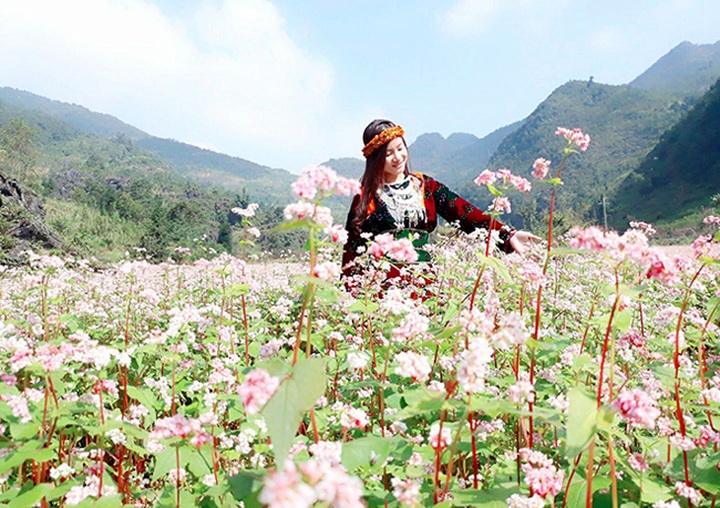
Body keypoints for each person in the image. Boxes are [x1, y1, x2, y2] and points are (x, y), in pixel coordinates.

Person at [342, 119, 539, 279]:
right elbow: (351, 250)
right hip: (382, 288)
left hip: (423, 284)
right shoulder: (366, 198)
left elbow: (467, 214)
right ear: (375, 158)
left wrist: (508, 235)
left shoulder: (425, 187)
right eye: (388, 154)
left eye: (400, 148)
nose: (398, 157)